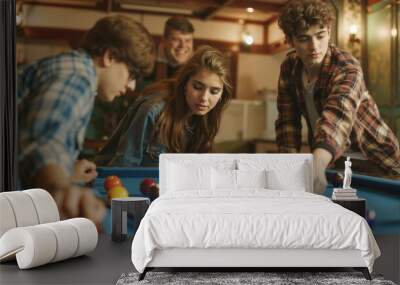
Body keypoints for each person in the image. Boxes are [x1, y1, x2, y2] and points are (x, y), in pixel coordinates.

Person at [17, 15, 155, 225]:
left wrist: (66, 171)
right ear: (109, 56)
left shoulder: (72, 69)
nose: (132, 86)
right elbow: (42, 143)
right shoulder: (78, 75)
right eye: (132, 73)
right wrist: (62, 188)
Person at [275, 0, 400, 194]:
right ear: (290, 40)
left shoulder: (347, 67)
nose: (314, 46)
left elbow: (337, 117)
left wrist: (316, 164)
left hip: (378, 163)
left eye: (320, 36)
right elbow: (287, 123)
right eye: (304, 38)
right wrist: (287, 169)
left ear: (329, 32)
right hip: (335, 163)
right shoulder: (289, 68)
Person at [95, 45, 232, 167]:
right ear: (185, 84)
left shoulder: (207, 118)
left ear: (221, 94)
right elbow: (124, 166)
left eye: (214, 91)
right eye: (197, 87)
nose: (204, 98)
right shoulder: (152, 110)